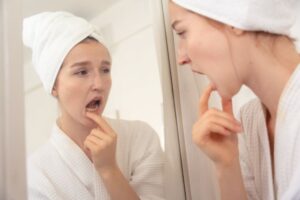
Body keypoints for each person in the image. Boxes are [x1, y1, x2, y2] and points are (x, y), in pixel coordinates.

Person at [23, 11, 164, 200]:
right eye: (82, 72)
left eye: (105, 70)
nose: (99, 84)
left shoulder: (140, 137)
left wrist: (109, 170)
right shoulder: (35, 175)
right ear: (53, 86)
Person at [169, 0, 300, 199]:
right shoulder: (249, 119)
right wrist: (227, 166)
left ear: (233, 18)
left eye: (182, 32)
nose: (181, 58)